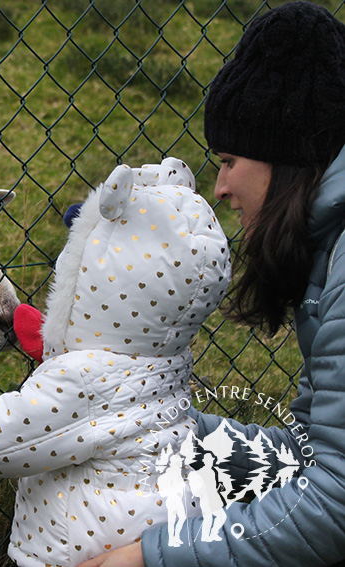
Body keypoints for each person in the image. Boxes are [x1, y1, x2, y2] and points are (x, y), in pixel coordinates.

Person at [80, 2, 345, 566]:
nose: (220, 187)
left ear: (285, 155)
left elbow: (335, 507)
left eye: (229, 160)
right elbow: (309, 456)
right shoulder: (330, 253)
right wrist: (164, 427)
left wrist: (148, 558)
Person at [0, 158, 232, 566]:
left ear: (96, 284)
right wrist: (57, 347)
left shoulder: (81, 381)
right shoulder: (166, 362)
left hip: (81, 550)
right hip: (170, 533)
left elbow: (19, 430)